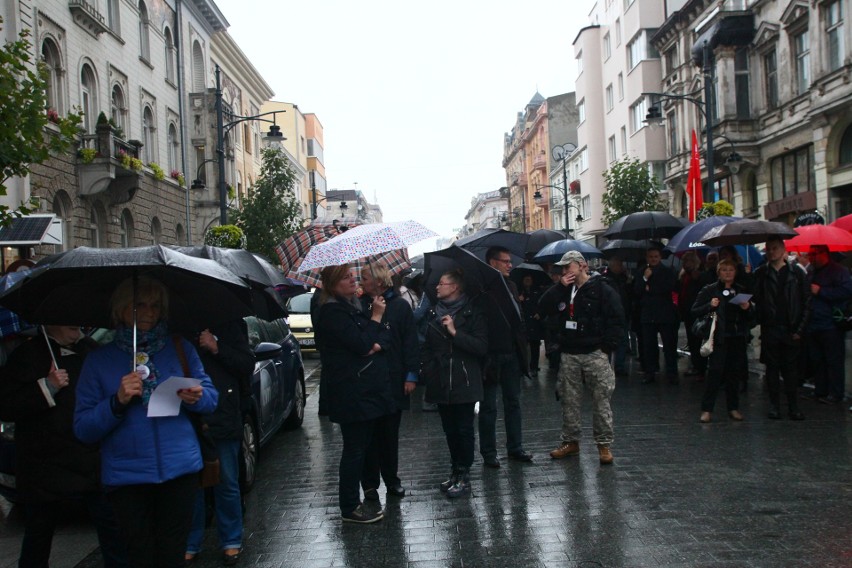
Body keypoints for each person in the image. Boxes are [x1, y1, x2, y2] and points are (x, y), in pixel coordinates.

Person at [74, 276, 218, 568]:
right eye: (140, 305)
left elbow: (212, 399)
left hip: (179, 470)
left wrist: (197, 396)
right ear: (122, 308)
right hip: (128, 478)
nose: (150, 313)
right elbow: (83, 428)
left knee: (172, 555)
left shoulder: (179, 349)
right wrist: (116, 401)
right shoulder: (100, 361)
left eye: (156, 306)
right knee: (139, 556)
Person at [0, 326, 128, 568]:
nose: (76, 325)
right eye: (68, 320)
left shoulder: (91, 349)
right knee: (39, 532)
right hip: (45, 462)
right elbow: (6, 405)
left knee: (112, 529)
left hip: (89, 457)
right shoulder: (27, 354)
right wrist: (46, 386)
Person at [315, 264, 395, 524]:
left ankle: (353, 502)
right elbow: (362, 344)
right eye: (346, 277)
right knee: (354, 450)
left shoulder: (350, 306)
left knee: (359, 447)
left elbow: (379, 338)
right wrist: (376, 317)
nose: (353, 280)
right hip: (351, 392)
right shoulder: (332, 311)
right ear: (333, 283)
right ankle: (349, 506)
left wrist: (372, 336)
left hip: (362, 390)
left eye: (353, 276)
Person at [539, 251, 624, 465]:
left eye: (569, 267)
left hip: (595, 352)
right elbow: (542, 307)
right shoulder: (563, 291)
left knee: (601, 399)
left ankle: (604, 445)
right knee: (569, 400)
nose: (565, 271)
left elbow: (617, 317)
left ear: (582, 266)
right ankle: (570, 442)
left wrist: (607, 347)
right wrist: (560, 287)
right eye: (563, 268)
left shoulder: (602, 288)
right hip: (570, 352)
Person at [185, 320, 255, 565]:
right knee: (191, 485)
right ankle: (191, 542)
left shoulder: (230, 322)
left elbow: (246, 364)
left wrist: (217, 347)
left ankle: (231, 541)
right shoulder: (177, 326)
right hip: (188, 414)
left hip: (223, 413)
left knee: (225, 480)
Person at [421, 269, 488, 497]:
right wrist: (429, 369)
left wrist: (454, 332)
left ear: (455, 287)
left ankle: (464, 474)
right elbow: (427, 346)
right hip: (440, 379)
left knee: (464, 429)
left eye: (442, 283)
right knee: (449, 430)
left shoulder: (472, 313)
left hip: (464, 379)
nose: (437, 287)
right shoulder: (432, 313)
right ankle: (455, 471)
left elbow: (481, 347)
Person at [359, 262, 419, 502]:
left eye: (364, 278)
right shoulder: (360, 305)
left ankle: (392, 480)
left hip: (393, 379)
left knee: (389, 435)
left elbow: (410, 343)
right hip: (368, 380)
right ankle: (370, 485)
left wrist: (411, 374)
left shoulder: (400, 307)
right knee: (368, 436)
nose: (361, 282)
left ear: (378, 281)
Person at [479, 246, 532, 468]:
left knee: (513, 402)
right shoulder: (480, 288)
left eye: (510, 261)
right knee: (489, 406)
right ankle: (489, 452)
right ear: (492, 263)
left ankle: (515, 447)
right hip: (490, 355)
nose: (510, 265)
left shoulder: (511, 285)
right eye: (505, 261)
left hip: (511, 352)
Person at [752, 238, 810, 420]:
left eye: (775, 248)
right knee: (772, 369)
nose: (771, 252)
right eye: (768, 249)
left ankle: (793, 406)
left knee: (791, 371)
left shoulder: (797, 273)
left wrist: (799, 329)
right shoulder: (761, 273)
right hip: (771, 328)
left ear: (783, 250)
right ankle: (774, 406)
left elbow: (806, 302)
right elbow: (756, 299)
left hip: (790, 328)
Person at [692, 259, 755, 423]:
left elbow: (752, 317)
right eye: (724, 270)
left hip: (736, 337)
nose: (728, 273)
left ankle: (733, 408)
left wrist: (747, 308)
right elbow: (694, 310)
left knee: (734, 375)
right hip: (719, 338)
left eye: (731, 270)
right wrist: (710, 306)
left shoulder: (740, 290)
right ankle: (707, 409)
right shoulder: (710, 290)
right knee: (715, 373)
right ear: (719, 272)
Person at [804, 245, 852, 404]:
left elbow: (846, 292)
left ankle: (835, 393)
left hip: (831, 323)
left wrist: (822, 291)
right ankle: (820, 390)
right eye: (810, 254)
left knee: (833, 360)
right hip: (813, 322)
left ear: (824, 254)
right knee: (817, 359)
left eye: (814, 254)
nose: (811, 258)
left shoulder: (838, 271)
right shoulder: (811, 271)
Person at [633, 246, 679, 384]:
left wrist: (650, 289)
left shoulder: (667, 271)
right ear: (647, 258)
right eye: (650, 257)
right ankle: (650, 371)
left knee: (669, 345)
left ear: (660, 258)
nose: (653, 259)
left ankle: (671, 372)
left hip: (665, 313)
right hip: (648, 313)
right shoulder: (642, 272)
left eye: (656, 256)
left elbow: (668, 288)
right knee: (649, 346)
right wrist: (645, 280)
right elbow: (637, 290)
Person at [601, 256, 632, 376]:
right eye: (619, 264)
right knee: (610, 341)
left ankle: (619, 366)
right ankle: (608, 366)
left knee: (622, 340)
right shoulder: (606, 279)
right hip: (611, 315)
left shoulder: (624, 279)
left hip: (623, 312)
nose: (621, 267)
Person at [677, 251, 706, 381]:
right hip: (687, 312)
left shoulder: (699, 275)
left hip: (696, 312)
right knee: (692, 341)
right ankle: (696, 365)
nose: (685, 264)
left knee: (698, 341)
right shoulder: (684, 276)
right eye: (684, 261)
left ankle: (700, 367)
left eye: (688, 261)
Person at [518, 274, 544, 374]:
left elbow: (542, 303)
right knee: (522, 346)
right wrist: (519, 300)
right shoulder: (519, 291)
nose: (528, 281)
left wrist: (540, 313)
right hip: (523, 322)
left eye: (530, 279)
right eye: (526, 279)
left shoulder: (538, 291)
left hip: (534, 322)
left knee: (535, 346)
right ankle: (523, 367)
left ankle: (534, 367)